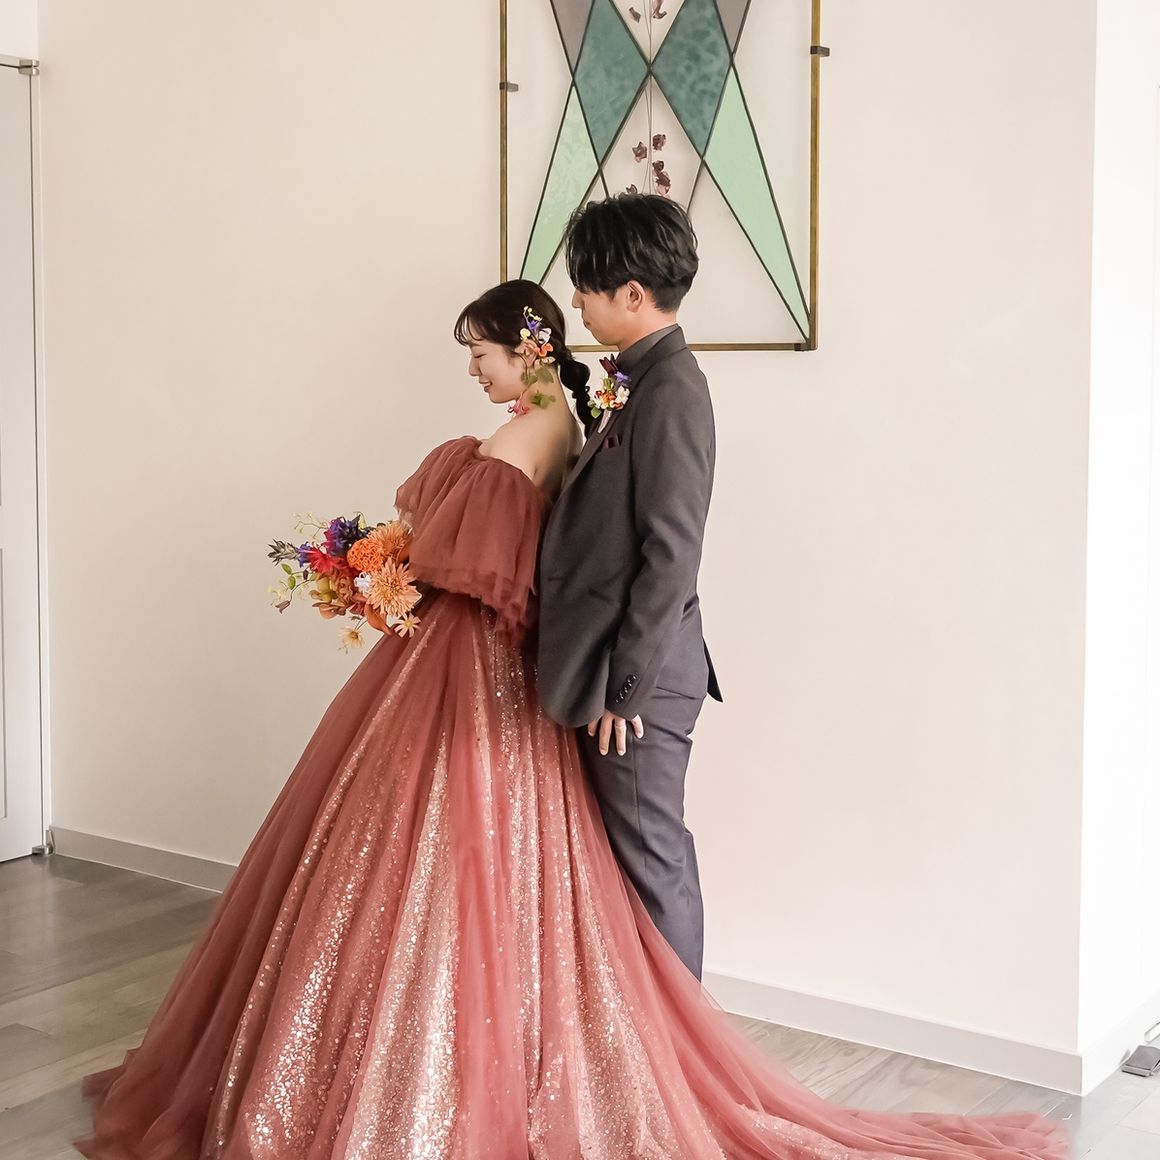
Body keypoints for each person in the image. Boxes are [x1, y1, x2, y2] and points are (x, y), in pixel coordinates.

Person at [76, 278, 1067, 1159]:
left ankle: (461, 1072)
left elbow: (464, 563)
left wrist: (368, 568)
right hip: (516, 670)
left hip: (467, 665)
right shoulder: (572, 422)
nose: (472, 369)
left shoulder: (532, 431)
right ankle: (563, 1050)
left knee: (430, 861)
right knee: (507, 866)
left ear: (527, 348)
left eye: (480, 351)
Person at [538, 194, 722, 981]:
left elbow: (671, 555)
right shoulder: (639, 380)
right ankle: (650, 1033)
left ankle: (681, 1045)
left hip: (641, 677)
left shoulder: (673, 389)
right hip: (620, 665)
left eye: (587, 285)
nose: (577, 301)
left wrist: (626, 690)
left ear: (633, 294)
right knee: (637, 856)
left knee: (652, 858)